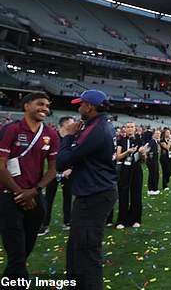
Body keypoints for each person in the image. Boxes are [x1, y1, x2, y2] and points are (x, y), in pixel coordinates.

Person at [0, 92, 59, 282]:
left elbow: (53, 169)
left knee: (23, 251)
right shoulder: (9, 130)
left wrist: (34, 191)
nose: (45, 108)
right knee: (17, 253)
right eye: (40, 104)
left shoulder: (50, 134)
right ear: (26, 106)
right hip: (7, 197)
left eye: (47, 105)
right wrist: (21, 193)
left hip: (35, 197)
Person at [57, 89, 118, 288]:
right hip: (96, 191)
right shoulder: (102, 125)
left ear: (89, 106)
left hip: (94, 195)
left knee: (87, 251)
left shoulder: (96, 128)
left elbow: (63, 161)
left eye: (81, 104)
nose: (78, 107)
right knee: (76, 247)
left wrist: (66, 136)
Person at [39, 116, 74, 236]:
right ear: (64, 124)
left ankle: (67, 221)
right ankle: (44, 224)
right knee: (48, 198)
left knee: (68, 197)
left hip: (68, 172)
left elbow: (77, 154)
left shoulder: (73, 137)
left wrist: (70, 168)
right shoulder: (54, 137)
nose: (73, 124)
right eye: (71, 123)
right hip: (53, 172)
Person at [115, 121, 145, 228]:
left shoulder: (139, 140)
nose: (130, 129)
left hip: (136, 169)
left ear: (135, 128)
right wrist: (127, 152)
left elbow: (144, 160)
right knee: (123, 195)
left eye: (132, 127)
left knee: (136, 194)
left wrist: (142, 153)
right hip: (124, 169)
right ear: (125, 129)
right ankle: (122, 220)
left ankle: (136, 219)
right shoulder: (121, 141)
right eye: (128, 127)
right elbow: (118, 157)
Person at [146, 129, 161, 195]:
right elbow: (148, 149)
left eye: (158, 134)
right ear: (154, 134)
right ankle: (152, 188)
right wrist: (148, 154)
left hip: (155, 159)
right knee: (153, 174)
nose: (157, 135)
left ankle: (153, 188)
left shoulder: (156, 141)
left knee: (155, 173)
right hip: (152, 159)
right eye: (156, 133)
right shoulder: (152, 141)